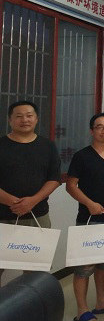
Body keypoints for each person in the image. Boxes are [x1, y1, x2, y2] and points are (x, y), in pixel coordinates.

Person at [66, 112, 104, 321]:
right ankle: (82, 310)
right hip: (87, 220)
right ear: (92, 131)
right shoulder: (82, 156)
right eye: (99, 127)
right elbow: (71, 186)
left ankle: (102, 302)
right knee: (84, 267)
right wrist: (89, 204)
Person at [0, 100, 60, 284]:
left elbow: (54, 179)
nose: (24, 120)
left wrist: (32, 201)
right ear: (10, 120)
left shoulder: (47, 146)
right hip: (2, 216)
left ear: (36, 119)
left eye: (29, 115)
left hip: (38, 216)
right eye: (19, 116)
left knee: (36, 271)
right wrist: (13, 202)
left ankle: (32, 303)